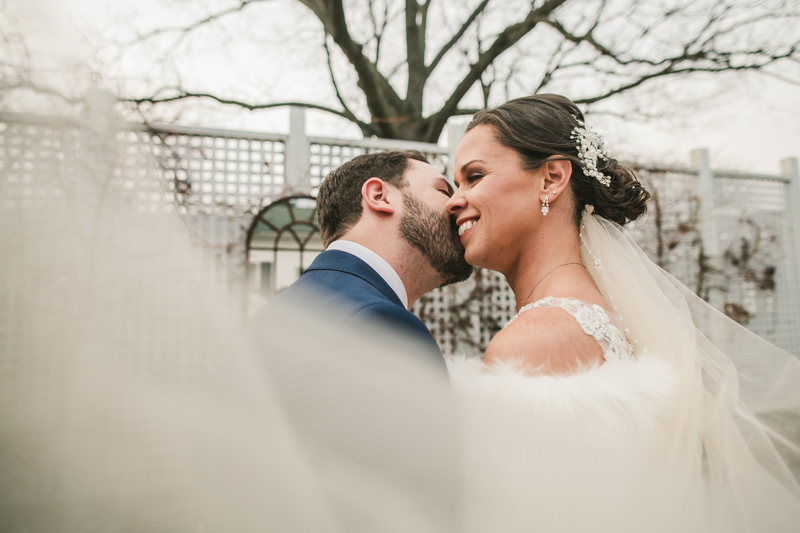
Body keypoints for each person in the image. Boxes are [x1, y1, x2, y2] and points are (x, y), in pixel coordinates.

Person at [444, 94, 800, 532]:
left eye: (473, 177)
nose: (452, 201)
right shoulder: (604, 315)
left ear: (552, 179)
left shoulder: (535, 342)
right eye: (454, 185)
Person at [262, 149, 472, 370]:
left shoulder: (279, 313)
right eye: (443, 191)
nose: (457, 203)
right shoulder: (376, 322)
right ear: (379, 196)